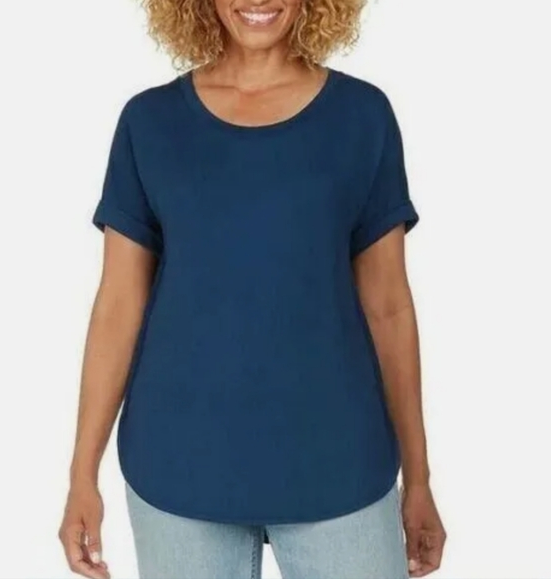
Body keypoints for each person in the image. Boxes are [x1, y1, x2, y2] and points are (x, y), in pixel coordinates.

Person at [58, 0, 447, 577]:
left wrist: (418, 478)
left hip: (339, 461)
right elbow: (118, 305)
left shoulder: (363, 116)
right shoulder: (149, 122)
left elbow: (389, 306)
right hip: (180, 466)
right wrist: (80, 475)